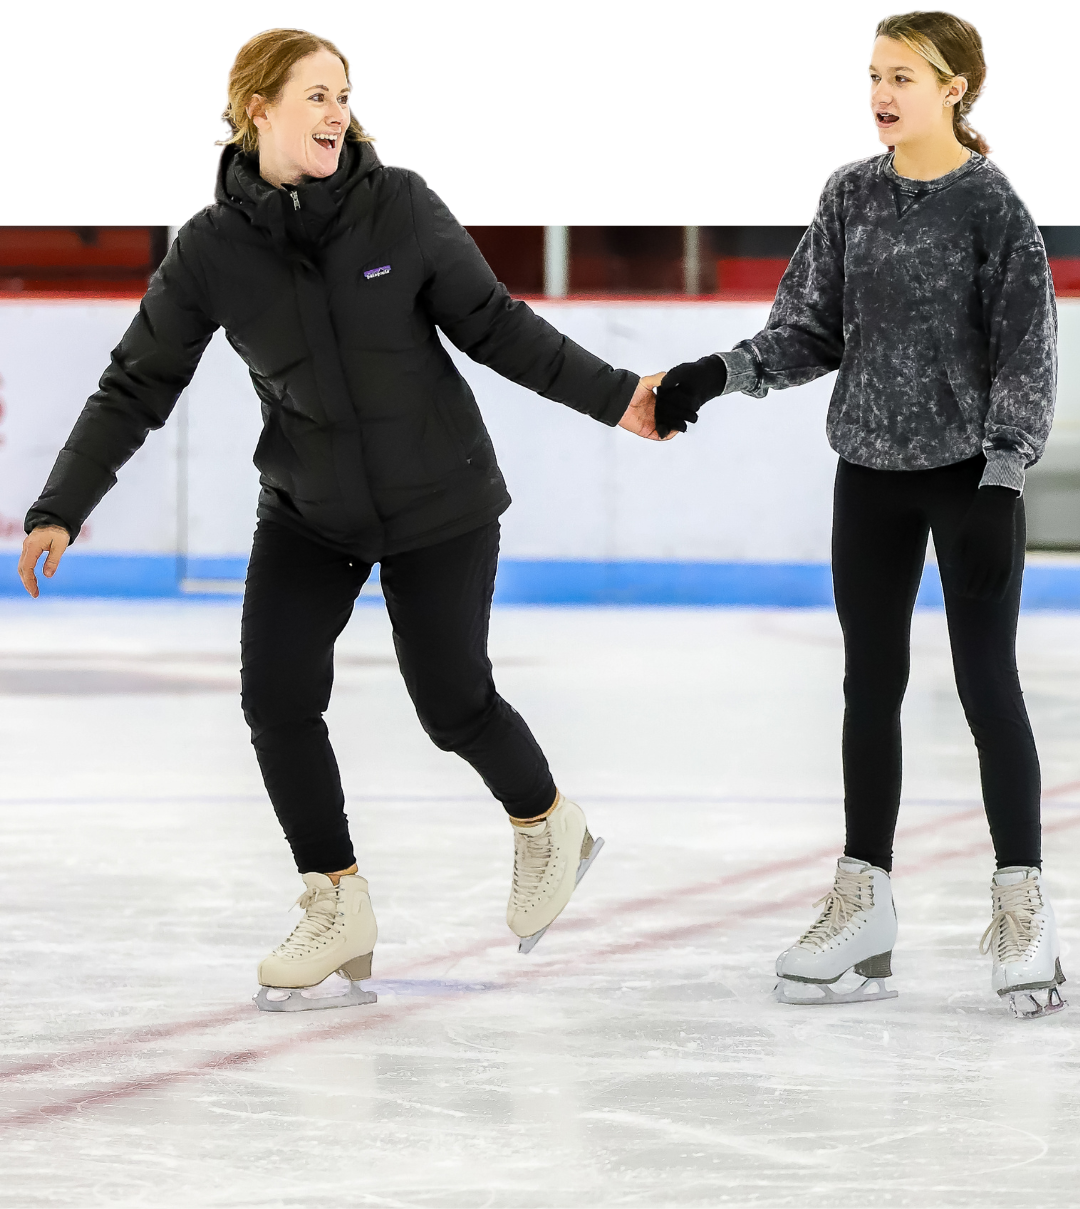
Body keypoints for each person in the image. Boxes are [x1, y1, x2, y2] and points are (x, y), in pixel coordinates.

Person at [17, 27, 670, 1013]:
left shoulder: (399, 204)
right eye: (314, 95)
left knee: (451, 703)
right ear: (257, 112)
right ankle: (335, 900)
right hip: (310, 508)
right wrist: (63, 504)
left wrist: (618, 395)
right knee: (276, 699)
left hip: (439, 497)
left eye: (343, 95)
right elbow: (135, 382)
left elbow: (495, 324)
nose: (335, 114)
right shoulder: (211, 248)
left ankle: (547, 824)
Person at [654, 9, 1064, 1018]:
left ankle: (1023, 907)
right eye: (875, 75)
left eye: (906, 77)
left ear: (958, 87)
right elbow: (806, 330)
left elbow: (1028, 346)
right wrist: (715, 374)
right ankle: (865, 904)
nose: (884, 94)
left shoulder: (993, 204)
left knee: (985, 688)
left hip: (973, 479)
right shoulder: (849, 193)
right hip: (868, 474)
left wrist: (1006, 468)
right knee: (868, 686)